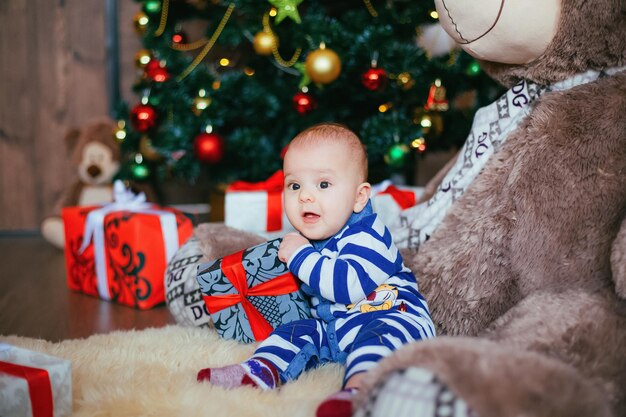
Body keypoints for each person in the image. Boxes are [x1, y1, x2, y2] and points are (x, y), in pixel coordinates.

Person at [197, 123, 435, 417]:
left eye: (323, 184)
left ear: (359, 197)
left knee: (377, 342)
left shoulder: (369, 234)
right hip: (334, 329)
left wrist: (299, 256)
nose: (305, 196)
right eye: (294, 185)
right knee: (295, 331)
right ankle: (260, 371)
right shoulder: (306, 242)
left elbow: (345, 286)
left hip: (390, 316)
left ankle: (360, 393)